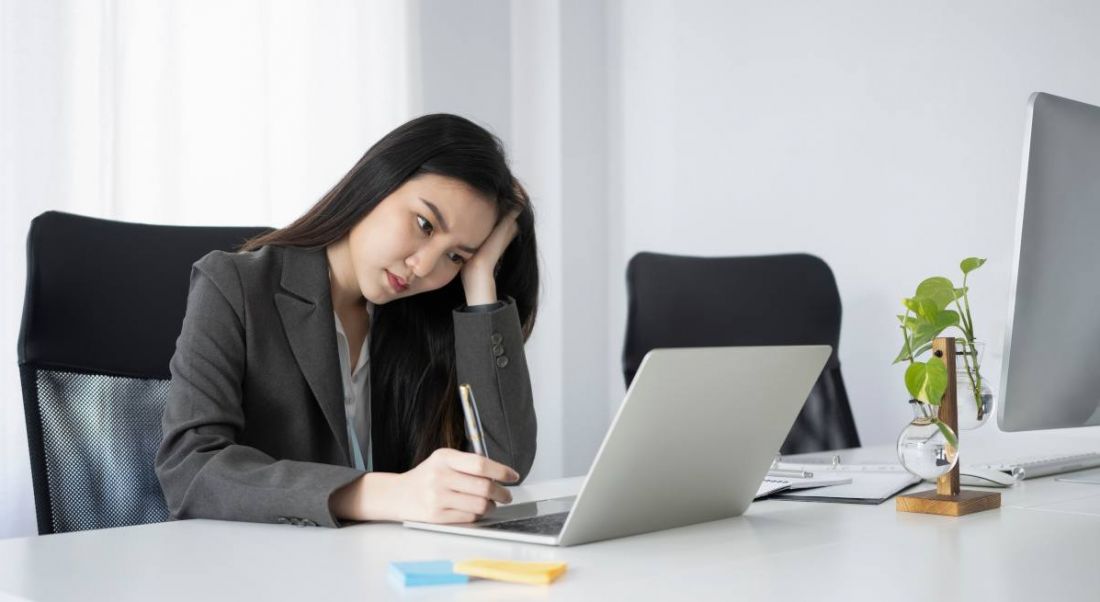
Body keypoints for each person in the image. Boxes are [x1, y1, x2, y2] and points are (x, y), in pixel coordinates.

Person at [155, 114, 538, 528]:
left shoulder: (424, 320)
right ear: (377, 182)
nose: (424, 266)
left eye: (455, 256)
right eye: (424, 224)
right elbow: (192, 469)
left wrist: (480, 284)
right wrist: (382, 493)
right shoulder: (235, 286)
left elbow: (503, 467)